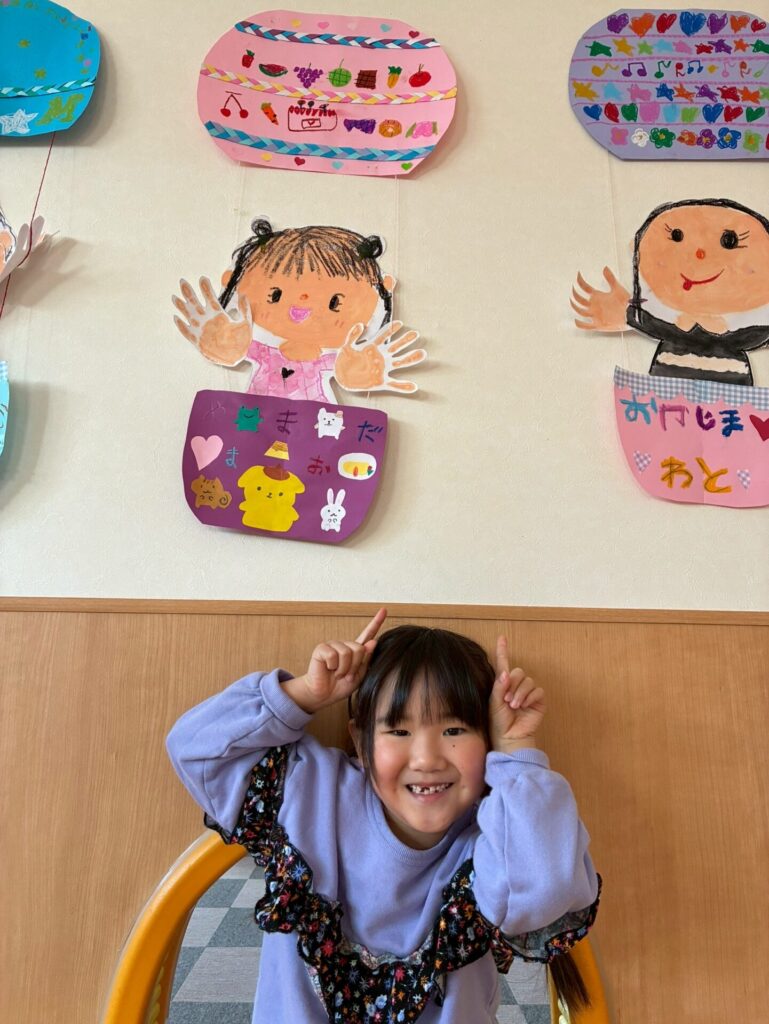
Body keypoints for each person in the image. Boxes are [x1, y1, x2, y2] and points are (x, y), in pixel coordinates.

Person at [166, 609, 600, 1023]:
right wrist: (304, 694)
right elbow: (195, 749)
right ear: (361, 739)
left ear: (485, 740)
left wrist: (517, 752)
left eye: (453, 730)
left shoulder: (493, 838)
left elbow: (543, 892)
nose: (427, 759)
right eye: (399, 730)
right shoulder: (313, 791)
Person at [172, 220, 426, 402]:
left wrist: (357, 372)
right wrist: (224, 345)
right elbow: (236, 351)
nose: (302, 305)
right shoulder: (260, 349)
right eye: (275, 295)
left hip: (314, 433)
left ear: (384, 287)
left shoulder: (333, 360)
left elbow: (344, 370)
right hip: (253, 426)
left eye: (334, 303)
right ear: (232, 280)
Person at [571, 198, 769, 385]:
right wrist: (626, 313)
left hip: (730, 401)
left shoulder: (744, 331)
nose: (699, 254)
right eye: (676, 236)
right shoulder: (674, 324)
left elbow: (757, 336)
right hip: (665, 400)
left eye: (729, 241)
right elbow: (653, 325)